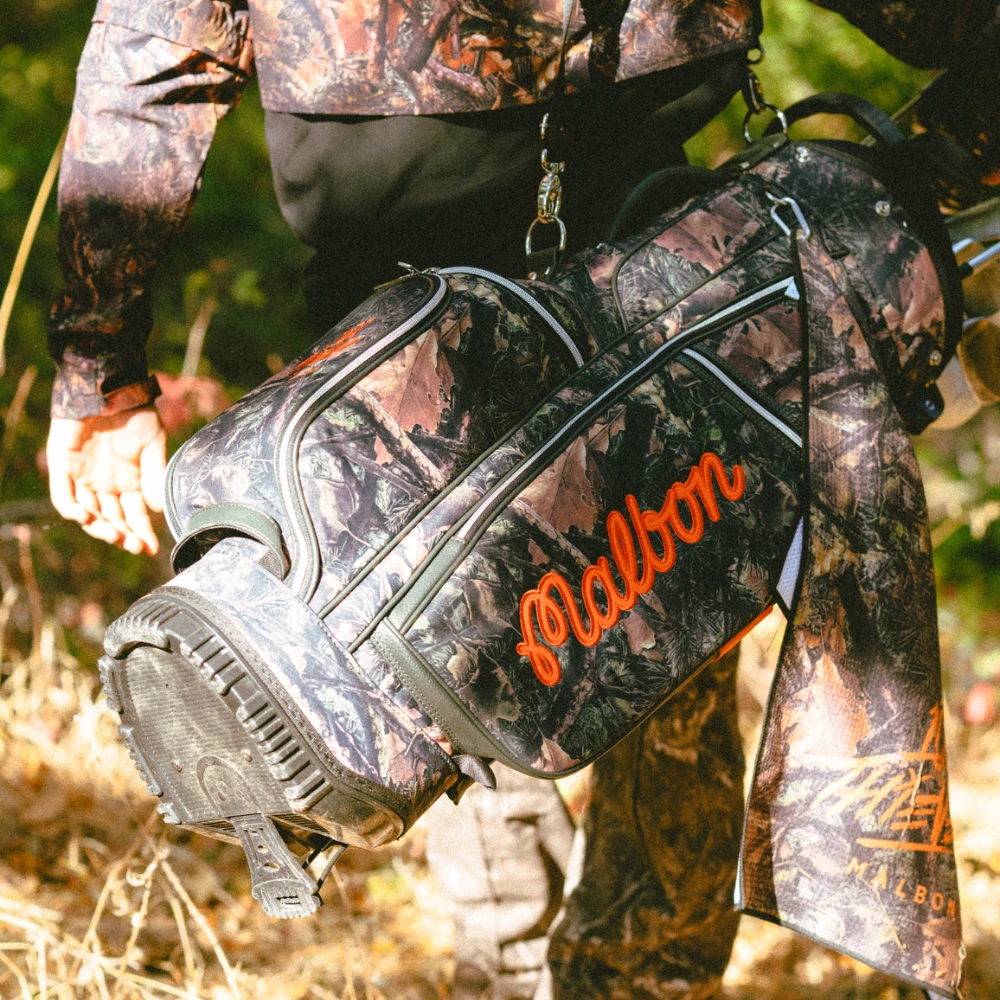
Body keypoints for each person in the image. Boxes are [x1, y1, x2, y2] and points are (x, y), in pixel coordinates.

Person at [44, 2, 1000, 997]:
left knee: (490, 658)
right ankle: (586, 975)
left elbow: (156, 49)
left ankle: (597, 977)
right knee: (462, 662)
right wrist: (942, 159)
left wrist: (98, 364)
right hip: (558, 276)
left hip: (621, 260)